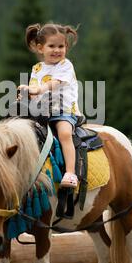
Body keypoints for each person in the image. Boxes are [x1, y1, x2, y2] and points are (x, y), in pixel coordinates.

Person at [18, 22, 81, 188]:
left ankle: (70, 172)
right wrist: (26, 94)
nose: (57, 50)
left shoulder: (65, 65)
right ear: (40, 48)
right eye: (51, 46)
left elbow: (55, 83)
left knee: (65, 134)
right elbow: (34, 88)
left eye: (61, 46)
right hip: (41, 112)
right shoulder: (37, 68)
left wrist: (39, 89)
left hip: (63, 110)